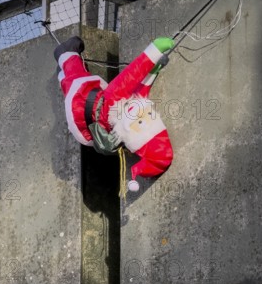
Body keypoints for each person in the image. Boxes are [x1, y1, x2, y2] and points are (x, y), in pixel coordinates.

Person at [54, 36, 175, 192]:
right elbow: (141, 90)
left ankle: (64, 54)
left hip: (80, 108)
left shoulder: (113, 104)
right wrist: (153, 70)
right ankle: (61, 75)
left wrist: (155, 50)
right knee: (70, 83)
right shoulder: (132, 120)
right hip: (91, 130)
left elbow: (129, 78)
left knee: (76, 77)